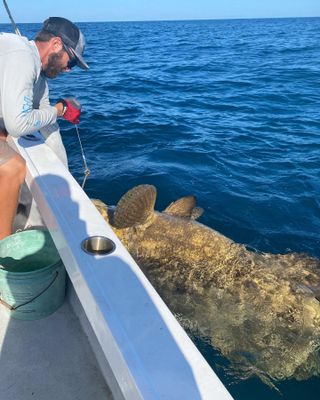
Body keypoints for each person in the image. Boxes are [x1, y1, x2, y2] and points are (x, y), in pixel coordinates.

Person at [0, 17, 89, 240]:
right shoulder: (22, 57)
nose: (68, 70)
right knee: (14, 167)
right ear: (57, 45)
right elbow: (18, 124)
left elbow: (44, 114)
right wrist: (60, 109)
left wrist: (64, 183)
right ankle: (4, 252)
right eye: (71, 62)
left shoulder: (37, 75)